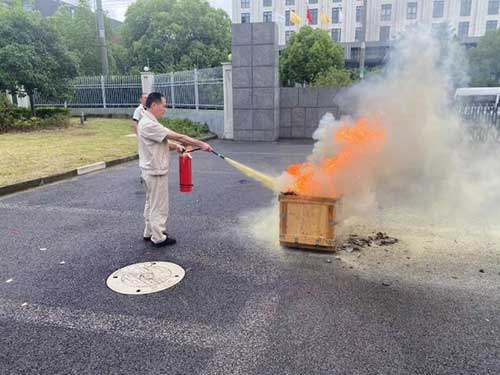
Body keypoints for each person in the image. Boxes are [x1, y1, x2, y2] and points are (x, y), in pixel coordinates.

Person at [138, 92, 213, 247]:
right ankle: (158, 237)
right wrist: (201, 144)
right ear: (154, 105)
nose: (165, 109)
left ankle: (149, 232)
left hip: (150, 171)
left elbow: (163, 140)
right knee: (158, 205)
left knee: (151, 203)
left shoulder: (148, 121)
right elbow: (179, 136)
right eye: (163, 106)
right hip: (155, 171)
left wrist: (176, 146)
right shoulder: (149, 124)